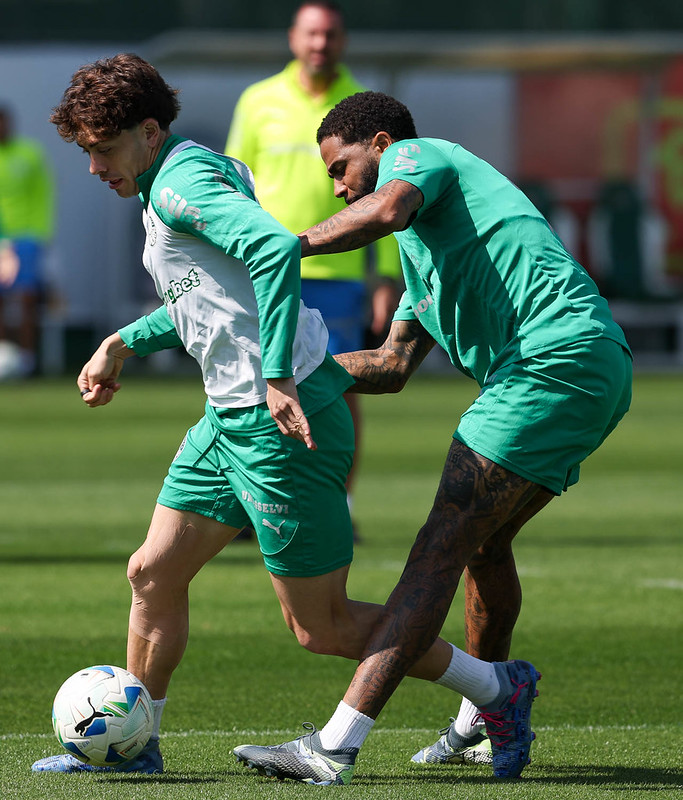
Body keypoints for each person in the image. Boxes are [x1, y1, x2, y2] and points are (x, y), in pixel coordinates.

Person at [32, 56, 540, 780]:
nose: (92, 167)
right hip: (227, 419)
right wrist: (123, 341)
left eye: (102, 148)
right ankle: (134, 746)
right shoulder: (175, 177)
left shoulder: (180, 183)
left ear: (148, 131)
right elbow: (211, 296)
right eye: (84, 150)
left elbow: (273, 250)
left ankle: (498, 686)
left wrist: (274, 376)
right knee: (151, 571)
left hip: (279, 420)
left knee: (321, 628)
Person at [232, 91, 632, 784]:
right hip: (583, 365)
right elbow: (389, 369)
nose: (336, 186)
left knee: (437, 546)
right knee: (482, 544)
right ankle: (484, 718)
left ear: (380, 145)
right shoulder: (423, 257)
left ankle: (334, 745)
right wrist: (285, 376)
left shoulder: (419, 158)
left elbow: (383, 208)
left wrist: (286, 246)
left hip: (548, 361)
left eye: (341, 167)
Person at [226, 2, 402, 535]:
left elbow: (392, 193)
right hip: (266, 271)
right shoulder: (258, 101)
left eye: (329, 34)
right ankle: (255, 504)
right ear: (293, 37)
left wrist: (386, 277)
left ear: (342, 40)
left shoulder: (363, 106)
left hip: (342, 275)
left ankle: (338, 506)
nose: (320, 43)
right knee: (250, 385)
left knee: (339, 387)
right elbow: (233, 182)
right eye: (311, 33)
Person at [0, 105, 55, 376]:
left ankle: (27, 360)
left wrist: (40, 235)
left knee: (26, 300)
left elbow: (43, 194)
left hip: (26, 239)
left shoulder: (29, 153)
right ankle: (3, 357)